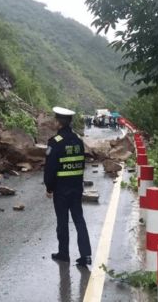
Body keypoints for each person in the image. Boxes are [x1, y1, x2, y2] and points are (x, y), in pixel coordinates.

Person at [44, 106, 92, 266]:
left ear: (58, 123)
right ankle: (86, 255)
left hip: (61, 190)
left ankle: (63, 253)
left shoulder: (55, 143)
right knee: (79, 219)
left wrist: (49, 188)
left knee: (62, 221)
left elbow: (50, 169)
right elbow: (81, 164)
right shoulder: (78, 142)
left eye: (55, 120)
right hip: (76, 188)